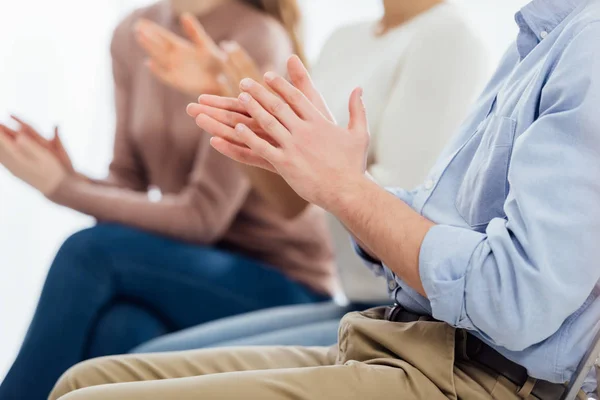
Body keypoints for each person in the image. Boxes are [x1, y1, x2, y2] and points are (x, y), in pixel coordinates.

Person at [50, 0, 600, 398]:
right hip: (399, 319)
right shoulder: (535, 37)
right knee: (97, 367)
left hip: (442, 341)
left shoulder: (537, 44)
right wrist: (293, 154)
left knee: (92, 271)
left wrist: (342, 184)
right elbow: (320, 198)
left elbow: (511, 295)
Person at [0, 1, 336, 399]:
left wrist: (65, 189)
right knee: (122, 330)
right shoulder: (132, 32)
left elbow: (203, 215)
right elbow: (128, 182)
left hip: (278, 283)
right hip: (178, 270)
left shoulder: (256, 38)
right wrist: (67, 176)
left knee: (87, 253)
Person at [133, 0, 490, 353]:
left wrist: (327, 171)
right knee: (130, 339)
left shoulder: (449, 37)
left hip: (409, 318)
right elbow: (292, 202)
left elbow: (401, 208)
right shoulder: (344, 40)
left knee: (144, 363)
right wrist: (238, 105)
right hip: (357, 303)